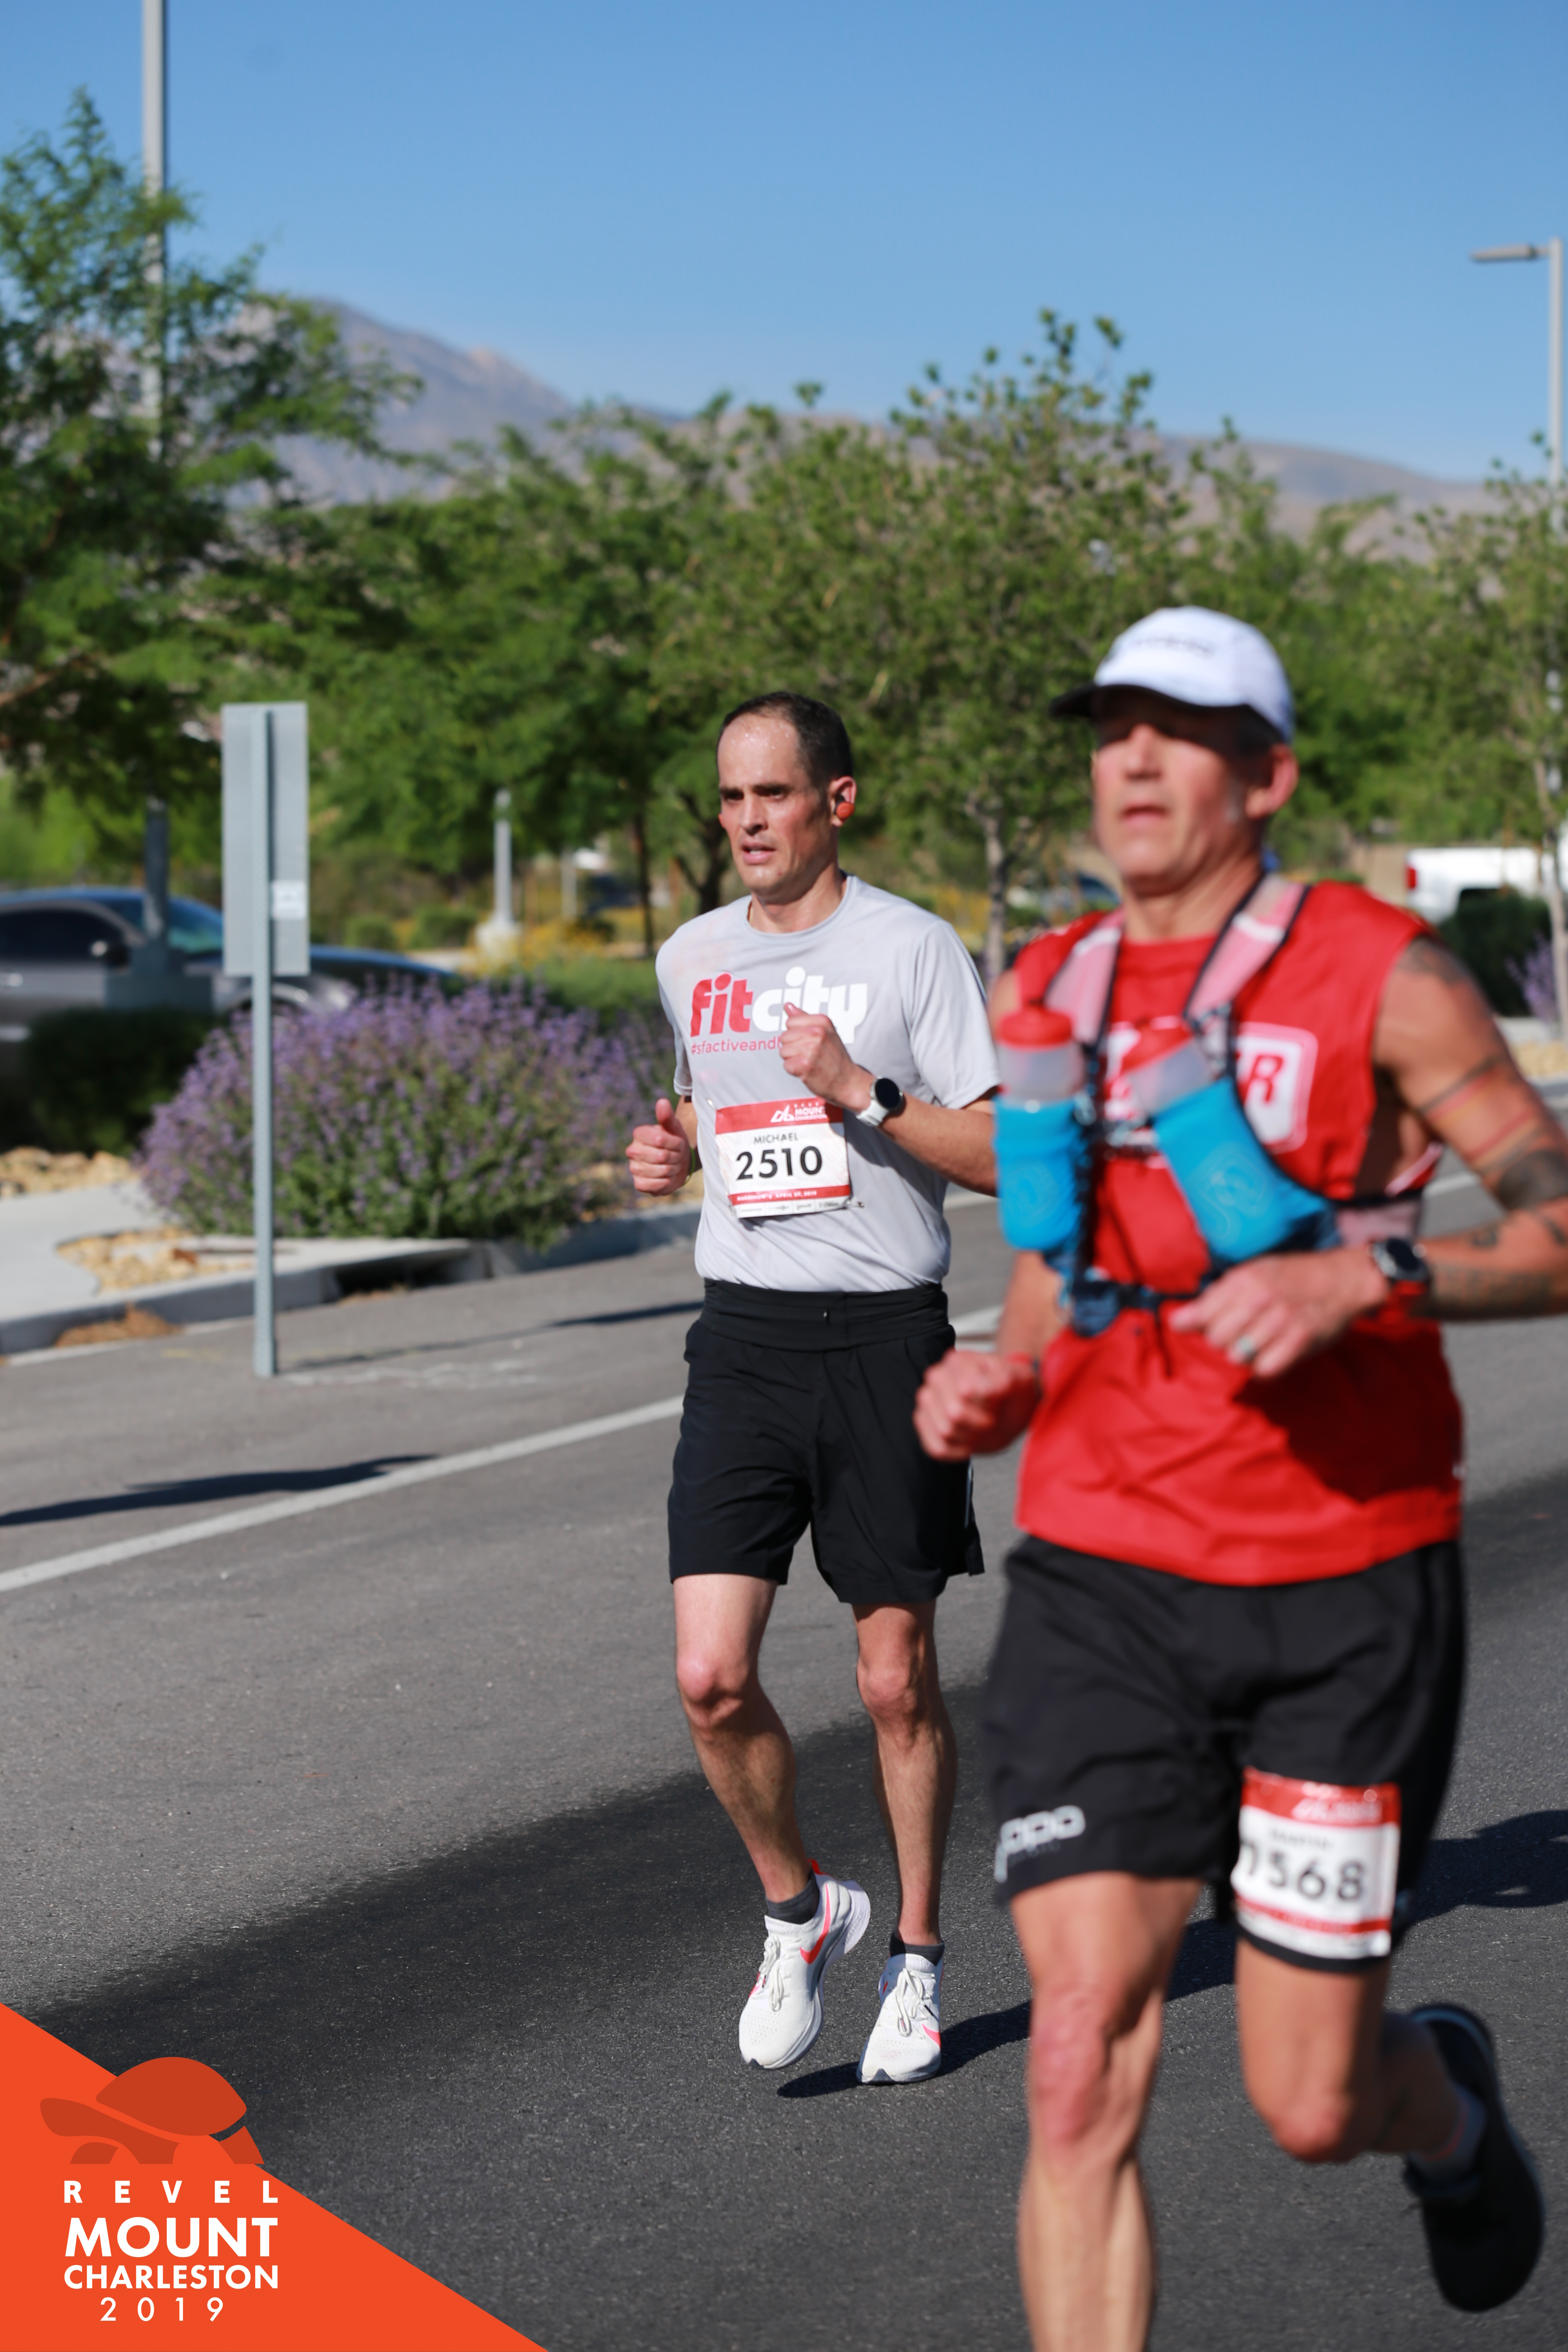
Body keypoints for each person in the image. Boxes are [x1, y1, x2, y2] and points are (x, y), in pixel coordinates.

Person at [915, 607, 1561, 2345]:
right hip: (1106, 1581)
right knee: (1074, 2057)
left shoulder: (1383, 976)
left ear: (1265, 776)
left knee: (1311, 2097)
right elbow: (1051, 1256)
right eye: (1110, 724)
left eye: (1179, 728)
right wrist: (1007, 1376)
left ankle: (1446, 2106)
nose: (1131, 756)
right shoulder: (1049, 988)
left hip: (1343, 1591)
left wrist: (1364, 1277)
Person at [627, 689, 1000, 2082]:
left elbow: (1006, 1157)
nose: (746, 822)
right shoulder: (691, 956)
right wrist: (669, 1157)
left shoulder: (912, 948)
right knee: (709, 1677)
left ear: (835, 801)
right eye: (730, 798)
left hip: (886, 1341)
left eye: (772, 794)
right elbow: (711, 1116)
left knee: (895, 1681)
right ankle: (800, 1911)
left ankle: (916, 1958)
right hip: (743, 1340)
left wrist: (866, 1091)